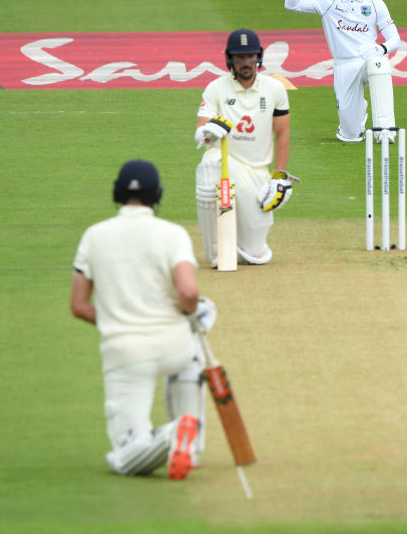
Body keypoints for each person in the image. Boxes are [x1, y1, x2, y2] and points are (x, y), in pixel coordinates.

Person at [71, 159, 215, 479]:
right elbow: (189, 293)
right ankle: (188, 444)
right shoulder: (173, 234)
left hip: (125, 354)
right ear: (158, 195)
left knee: (126, 456)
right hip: (174, 345)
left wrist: (116, 321)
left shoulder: (94, 236)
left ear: (117, 194)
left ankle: (171, 435)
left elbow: (79, 305)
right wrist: (188, 316)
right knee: (192, 348)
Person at [194, 29, 294, 265]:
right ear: (230, 59)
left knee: (254, 253)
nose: (245, 63)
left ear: (258, 57)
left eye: (249, 57)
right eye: (240, 58)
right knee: (210, 162)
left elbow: (282, 134)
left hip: (258, 171)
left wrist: (279, 176)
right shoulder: (216, 88)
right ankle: (217, 253)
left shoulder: (275, 89)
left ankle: (242, 245)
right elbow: (201, 132)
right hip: (227, 163)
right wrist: (207, 133)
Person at [284, 0, 402, 143]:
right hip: (344, 65)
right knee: (351, 135)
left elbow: (395, 39)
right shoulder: (328, 1)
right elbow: (291, 4)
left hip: (369, 59)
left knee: (379, 64)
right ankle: (355, 115)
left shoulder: (374, 0)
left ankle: (385, 130)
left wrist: (380, 50)